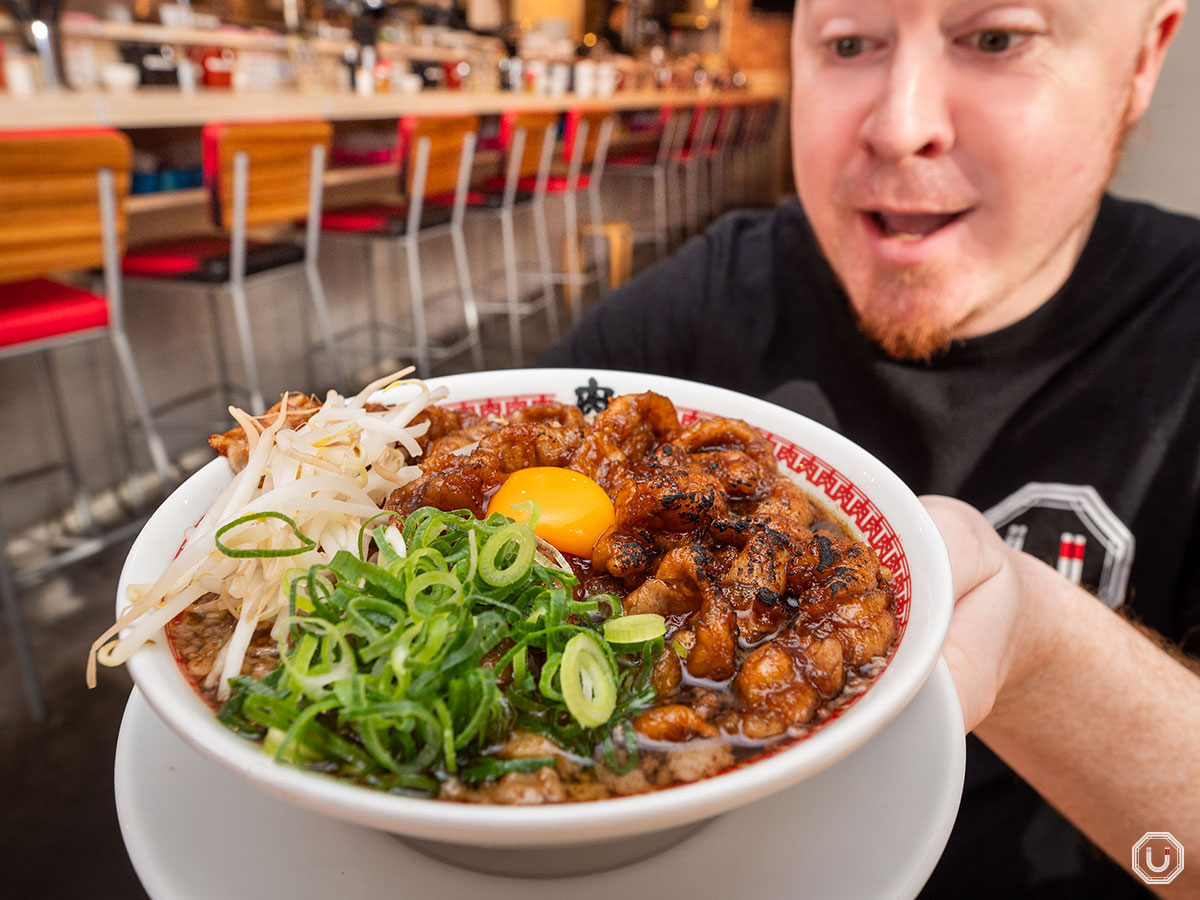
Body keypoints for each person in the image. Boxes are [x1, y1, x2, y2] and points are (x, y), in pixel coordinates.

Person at [541, 0, 1200, 896]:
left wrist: (1039, 649)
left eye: (997, 38)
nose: (901, 126)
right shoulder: (685, 324)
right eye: (850, 43)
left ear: (1142, 60)